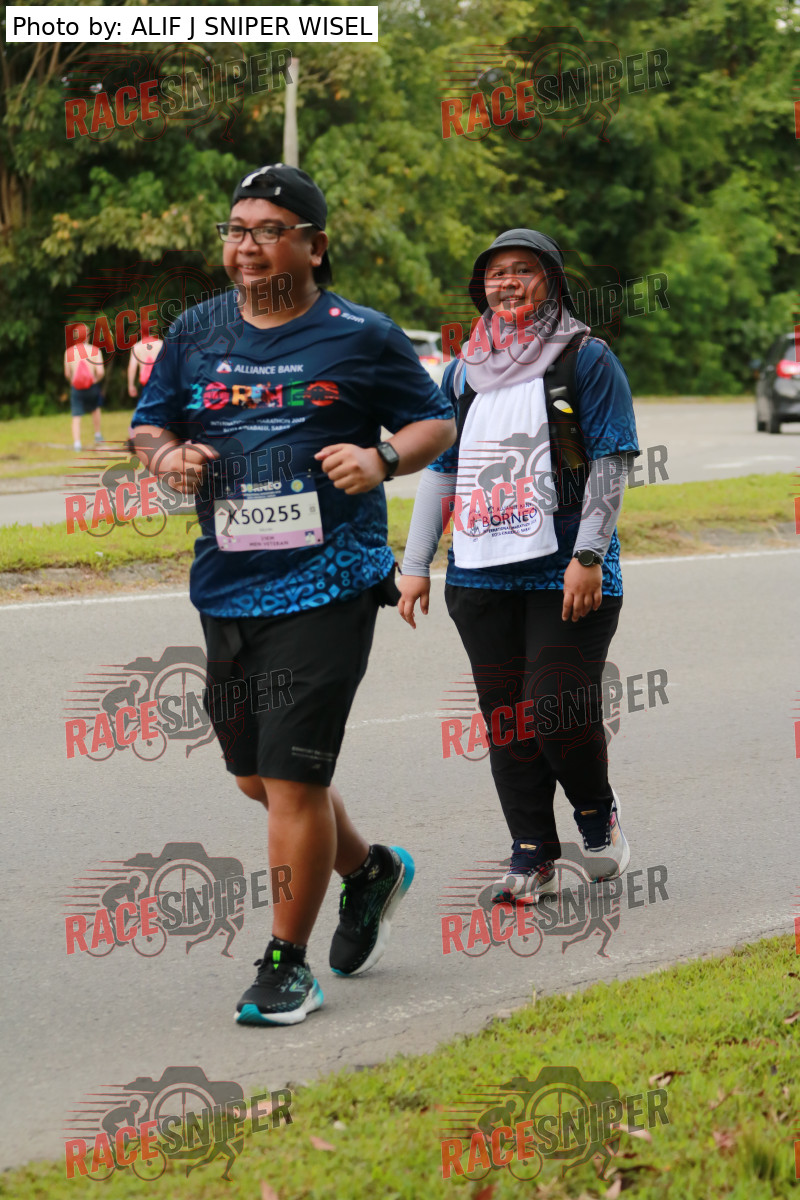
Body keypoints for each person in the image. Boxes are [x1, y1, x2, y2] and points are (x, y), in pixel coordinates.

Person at [129, 163, 456, 1025]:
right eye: (237, 229)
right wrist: (167, 457)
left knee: (292, 776)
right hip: (228, 583)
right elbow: (150, 424)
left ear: (314, 245)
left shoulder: (363, 335)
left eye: (269, 229)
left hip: (330, 581)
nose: (247, 246)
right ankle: (370, 872)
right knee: (258, 780)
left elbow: (435, 420)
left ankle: (286, 966)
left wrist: (383, 458)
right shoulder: (196, 331)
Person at [398, 229, 640, 904]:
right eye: (495, 273)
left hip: (566, 568)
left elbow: (612, 460)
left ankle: (595, 810)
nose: (507, 282)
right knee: (507, 719)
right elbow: (442, 469)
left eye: (523, 270)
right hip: (479, 572)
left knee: (555, 707)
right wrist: (415, 564)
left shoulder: (585, 358)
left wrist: (589, 555)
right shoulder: (461, 371)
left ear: (552, 282)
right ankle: (532, 852)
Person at [64, 325, 104, 450]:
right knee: (95, 409)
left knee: (76, 415)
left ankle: (77, 443)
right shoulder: (95, 350)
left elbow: (67, 374)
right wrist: (96, 380)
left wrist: (72, 381)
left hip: (76, 388)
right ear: (87, 336)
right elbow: (100, 372)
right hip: (92, 386)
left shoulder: (69, 352)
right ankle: (97, 435)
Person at [127, 335, 165, 400]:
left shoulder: (137, 347)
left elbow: (132, 367)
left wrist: (131, 385)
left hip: (145, 382)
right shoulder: (161, 344)